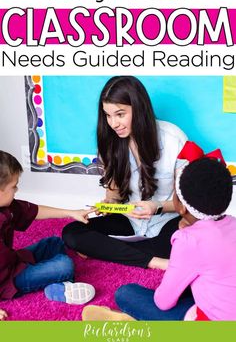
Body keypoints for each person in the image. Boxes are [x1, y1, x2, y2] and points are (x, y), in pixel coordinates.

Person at [82, 144, 236, 321]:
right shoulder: (233, 223)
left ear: (182, 206)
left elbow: (163, 302)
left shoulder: (188, 240)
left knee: (126, 294)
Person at [63, 76, 187, 268]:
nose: (113, 124)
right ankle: (154, 261)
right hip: (131, 221)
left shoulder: (173, 138)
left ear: (138, 109)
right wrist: (108, 205)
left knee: (185, 241)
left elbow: (187, 202)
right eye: (108, 115)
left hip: (167, 220)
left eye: (120, 114)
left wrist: (157, 206)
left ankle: (110, 250)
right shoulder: (110, 142)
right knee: (71, 232)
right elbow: (115, 194)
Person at [0, 150, 95, 320]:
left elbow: (33, 211)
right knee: (64, 265)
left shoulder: (8, 207)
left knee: (54, 243)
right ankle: (59, 287)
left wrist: (71, 212)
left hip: (12, 262)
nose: (17, 189)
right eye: (14, 186)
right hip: (6, 282)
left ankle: (56, 281)